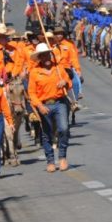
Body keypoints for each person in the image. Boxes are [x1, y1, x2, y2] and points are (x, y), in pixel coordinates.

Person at [28, 43, 72, 172]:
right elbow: (31, 93)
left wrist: (65, 82)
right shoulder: (34, 72)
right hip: (44, 105)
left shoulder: (58, 68)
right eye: (43, 56)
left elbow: (68, 81)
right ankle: (50, 161)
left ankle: (62, 157)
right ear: (40, 58)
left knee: (63, 129)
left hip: (60, 102)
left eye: (48, 54)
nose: (47, 58)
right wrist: (39, 106)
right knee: (47, 134)